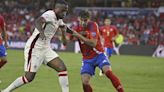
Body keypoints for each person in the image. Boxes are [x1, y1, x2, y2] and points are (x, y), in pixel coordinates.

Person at [1, 0, 69, 92]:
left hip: (46, 49)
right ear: (56, 9)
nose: (64, 13)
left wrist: (77, 35)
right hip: (34, 48)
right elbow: (38, 21)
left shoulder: (59, 19)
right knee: (29, 77)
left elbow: (67, 29)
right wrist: (41, 32)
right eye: (62, 10)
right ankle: (6, 91)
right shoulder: (49, 14)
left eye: (66, 11)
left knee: (62, 68)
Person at [67, 10, 124, 92]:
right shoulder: (76, 28)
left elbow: (93, 43)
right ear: (78, 19)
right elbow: (65, 42)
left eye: (85, 20)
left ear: (89, 19)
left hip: (99, 54)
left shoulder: (93, 25)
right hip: (87, 59)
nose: (83, 22)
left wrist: (77, 35)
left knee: (108, 72)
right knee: (85, 82)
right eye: (82, 20)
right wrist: (63, 32)